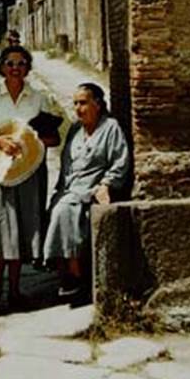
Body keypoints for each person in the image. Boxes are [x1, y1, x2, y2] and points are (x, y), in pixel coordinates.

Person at [0, 44, 59, 310]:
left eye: (21, 64)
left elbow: (53, 138)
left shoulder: (39, 99)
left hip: (29, 169)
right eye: (10, 63)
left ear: (28, 68)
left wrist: (31, 140)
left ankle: (16, 289)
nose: (15, 68)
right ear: (1, 67)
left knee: (21, 225)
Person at [43, 82, 130, 305]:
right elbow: (66, 164)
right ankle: (63, 270)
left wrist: (106, 184)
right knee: (55, 207)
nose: (78, 109)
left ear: (97, 104)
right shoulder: (74, 129)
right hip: (71, 187)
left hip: (91, 186)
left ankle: (75, 275)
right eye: (75, 104)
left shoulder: (110, 128)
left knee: (65, 211)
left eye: (83, 103)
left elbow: (120, 161)